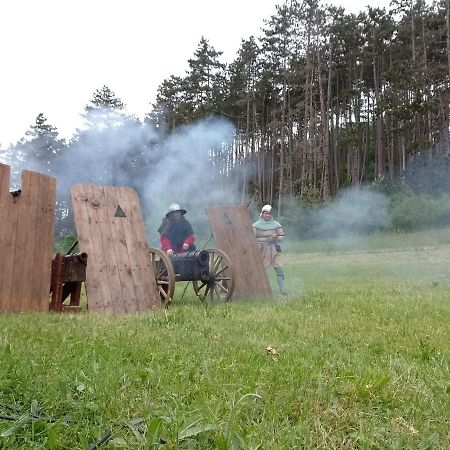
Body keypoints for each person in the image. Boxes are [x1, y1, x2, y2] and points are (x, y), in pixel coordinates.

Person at [253, 204, 288, 296]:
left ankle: (283, 290)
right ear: (262, 214)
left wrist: (275, 237)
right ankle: (260, 290)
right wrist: (265, 239)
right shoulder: (256, 225)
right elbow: (252, 238)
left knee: (279, 269)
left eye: (269, 214)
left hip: (274, 250)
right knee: (261, 271)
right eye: (266, 213)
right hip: (262, 250)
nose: (267, 215)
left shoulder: (276, 225)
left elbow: (281, 237)